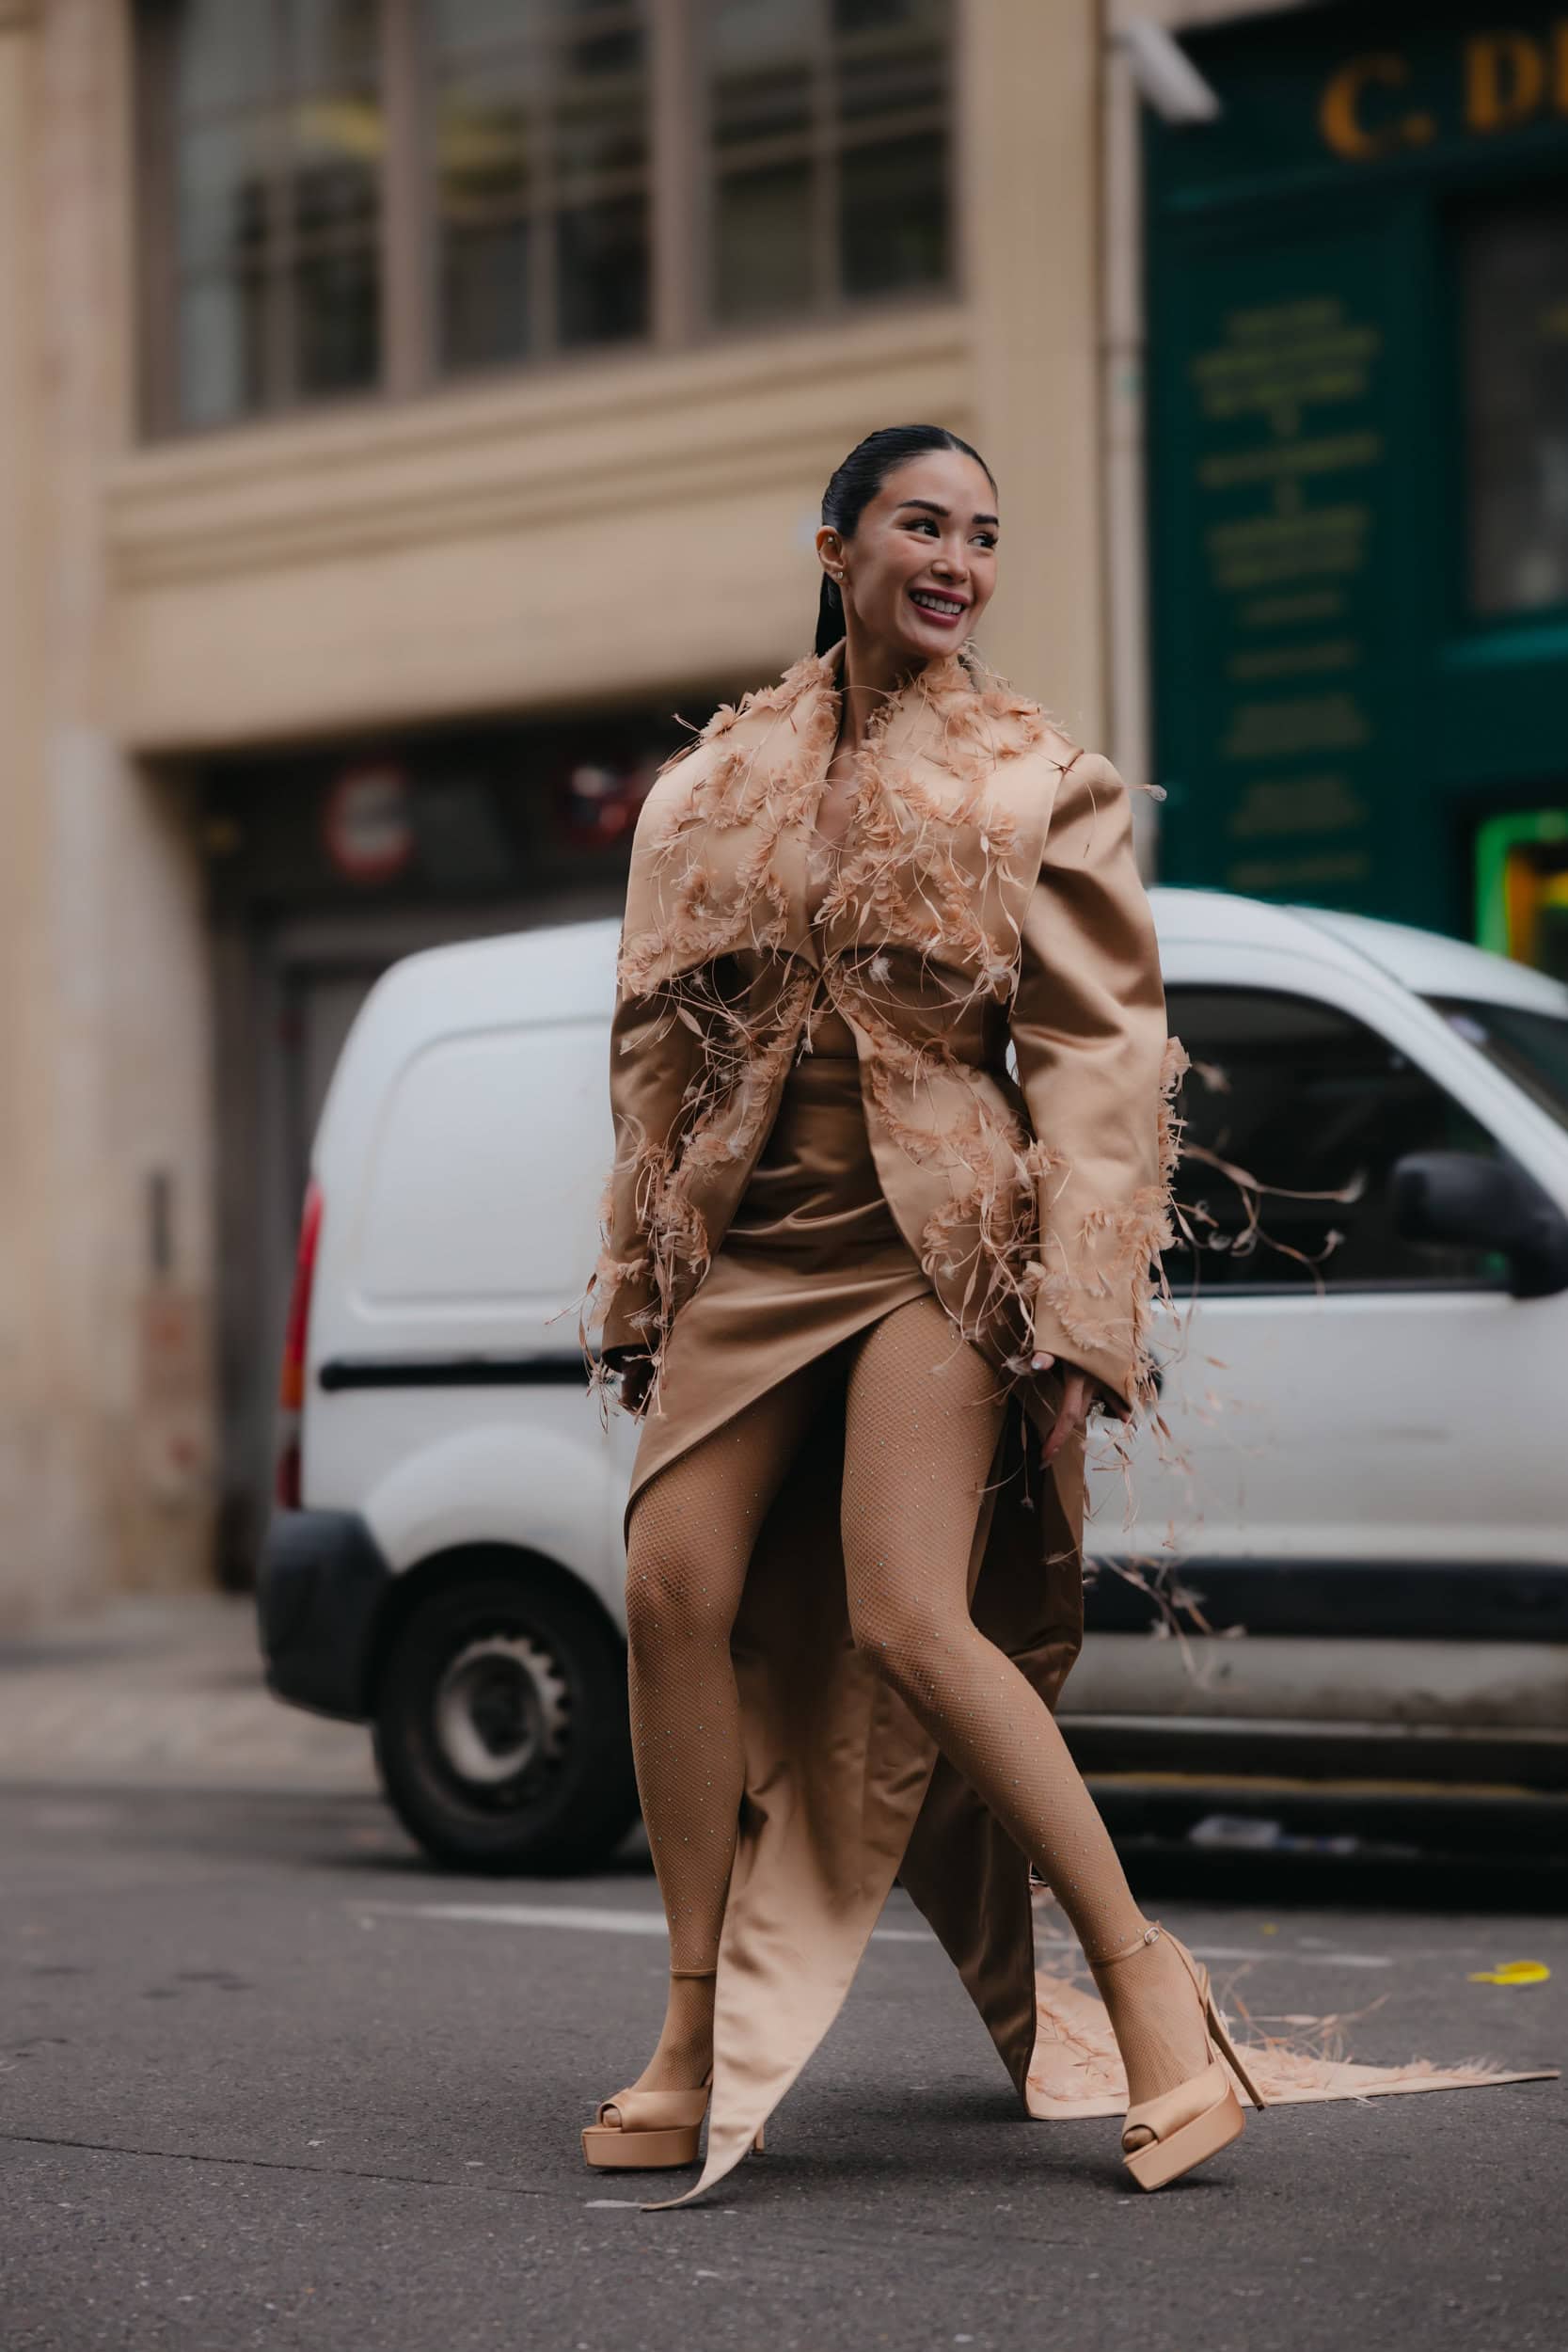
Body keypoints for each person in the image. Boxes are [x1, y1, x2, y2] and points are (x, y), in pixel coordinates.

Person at [576, 423, 1250, 2205]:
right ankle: (690, 2022)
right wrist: (640, 1273)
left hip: (939, 1250)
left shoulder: (1042, 781)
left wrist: (1080, 1329)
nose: (956, 560)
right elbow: (653, 1041)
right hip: (749, 1246)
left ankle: (1145, 1983)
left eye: (982, 536)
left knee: (905, 1613)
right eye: (920, 527)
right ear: (837, 544)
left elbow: (1101, 1066)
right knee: (667, 1586)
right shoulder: (711, 784)